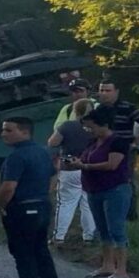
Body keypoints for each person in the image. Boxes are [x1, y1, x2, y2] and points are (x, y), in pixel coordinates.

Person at [65, 108, 131, 278]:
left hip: (115, 189)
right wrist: (76, 163)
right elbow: (86, 159)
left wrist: (85, 167)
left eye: (91, 127)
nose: (88, 130)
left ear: (103, 124)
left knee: (116, 229)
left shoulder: (118, 141)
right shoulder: (93, 142)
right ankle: (107, 264)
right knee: (102, 229)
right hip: (94, 190)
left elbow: (112, 165)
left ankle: (122, 269)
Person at [0, 117, 59, 278]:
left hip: (21, 208)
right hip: (41, 206)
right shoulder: (42, 152)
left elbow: (8, 186)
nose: (3, 134)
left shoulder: (16, 156)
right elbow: (54, 175)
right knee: (40, 249)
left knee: (23, 253)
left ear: (25, 132)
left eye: (9, 130)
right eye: (3, 130)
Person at [96, 79, 139, 220]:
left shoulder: (127, 107)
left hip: (124, 151)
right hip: (104, 151)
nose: (104, 94)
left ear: (116, 92)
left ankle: (130, 215)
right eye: (101, 90)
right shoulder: (98, 109)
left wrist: (135, 143)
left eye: (107, 90)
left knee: (126, 181)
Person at [47, 98, 96, 244]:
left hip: (69, 169)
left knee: (66, 203)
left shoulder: (67, 126)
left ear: (75, 111)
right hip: (89, 168)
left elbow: (52, 142)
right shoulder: (95, 128)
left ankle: (59, 236)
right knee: (87, 203)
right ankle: (89, 236)